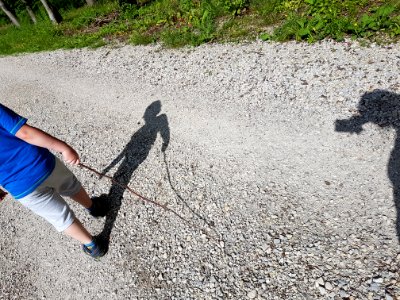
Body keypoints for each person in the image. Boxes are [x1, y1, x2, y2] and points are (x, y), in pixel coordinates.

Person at [0, 103, 109, 258]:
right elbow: (25, 133)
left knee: (60, 217)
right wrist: (63, 148)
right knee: (70, 185)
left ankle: (92, 245)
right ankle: (94, 207)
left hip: (20, 187)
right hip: (40, 163)